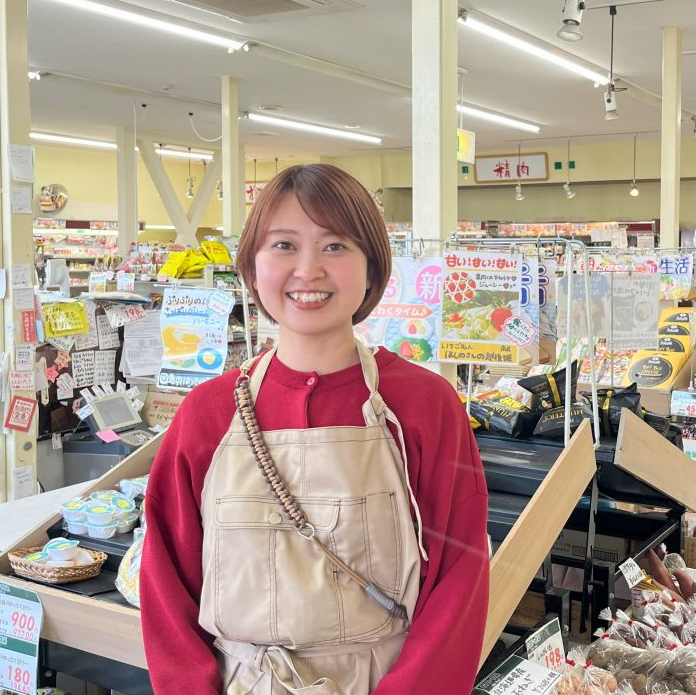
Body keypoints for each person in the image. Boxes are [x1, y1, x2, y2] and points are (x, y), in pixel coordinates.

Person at [141, 164, 490, 695]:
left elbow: (460, 573)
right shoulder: (206, 414)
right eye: (283, 245)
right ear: (252, 269)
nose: (308, 270)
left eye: (335, 247)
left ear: (372, 270)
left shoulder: (425, 405)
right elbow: (166, 581)